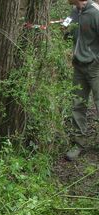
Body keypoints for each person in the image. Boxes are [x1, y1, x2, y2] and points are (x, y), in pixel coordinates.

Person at [65, 0, 99, 161]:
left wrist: (95, 60)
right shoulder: (74, 12)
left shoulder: (95, 13)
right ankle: (79, 143)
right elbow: (68, 33)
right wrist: (66, 30)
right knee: (78, 104)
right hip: (78, 66)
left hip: (95, 67)